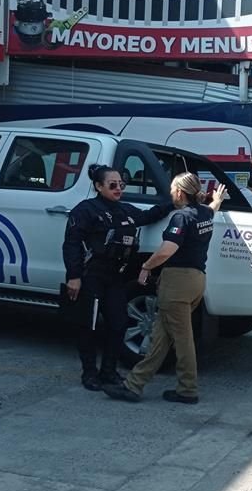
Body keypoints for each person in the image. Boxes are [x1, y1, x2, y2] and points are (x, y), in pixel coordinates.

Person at [102, 173, 215, 404]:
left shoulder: (181, 217)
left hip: (177, 284)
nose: (171, 194)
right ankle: (133, 385)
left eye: (173, 190)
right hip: (196, 281)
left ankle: (188, 389)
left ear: (181, 193)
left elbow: (167, 249)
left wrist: (146, 266)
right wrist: (218, 199)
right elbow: (213, 208)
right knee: (160, 338)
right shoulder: (205, 212)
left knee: (182, 340)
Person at [63, 165, 175, 392]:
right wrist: (74, 276)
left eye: (121, 185)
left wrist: (174, 203)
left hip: (114, 277)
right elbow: (72, 244)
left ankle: (109, 371)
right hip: (90, 275)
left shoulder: (124, 210)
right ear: (98, 186)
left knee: (118, 323)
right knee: (88, 326)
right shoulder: (85, 210)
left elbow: (147, 216)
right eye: (112, 185)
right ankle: (89, 373)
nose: (118, 189)